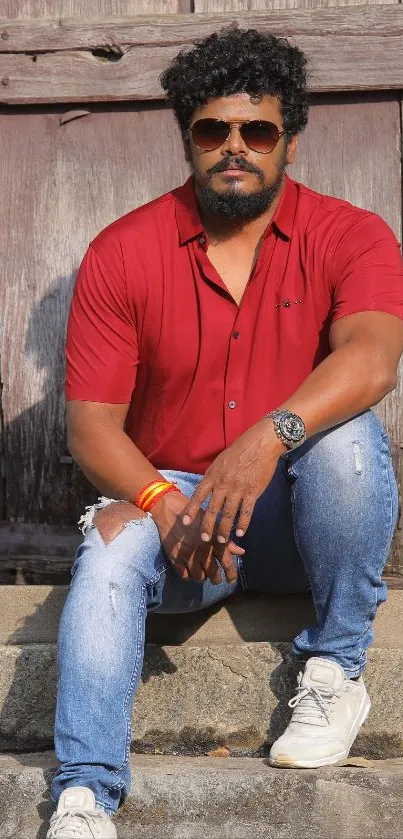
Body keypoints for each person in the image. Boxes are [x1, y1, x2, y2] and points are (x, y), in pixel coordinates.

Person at [46, 26, 403, 839]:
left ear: (289, 137)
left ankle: (334, 664)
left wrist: (264, 440)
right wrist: (160, 505)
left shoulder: (351, 234)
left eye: (257, 130)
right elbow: (90, 427)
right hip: (180, 507)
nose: (233, 148)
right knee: (107, 554)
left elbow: (374, 358)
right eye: (212, 130)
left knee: (346, 441)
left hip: (291, 508)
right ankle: (83, 797)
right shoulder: (123, 250)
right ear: (187, 135)